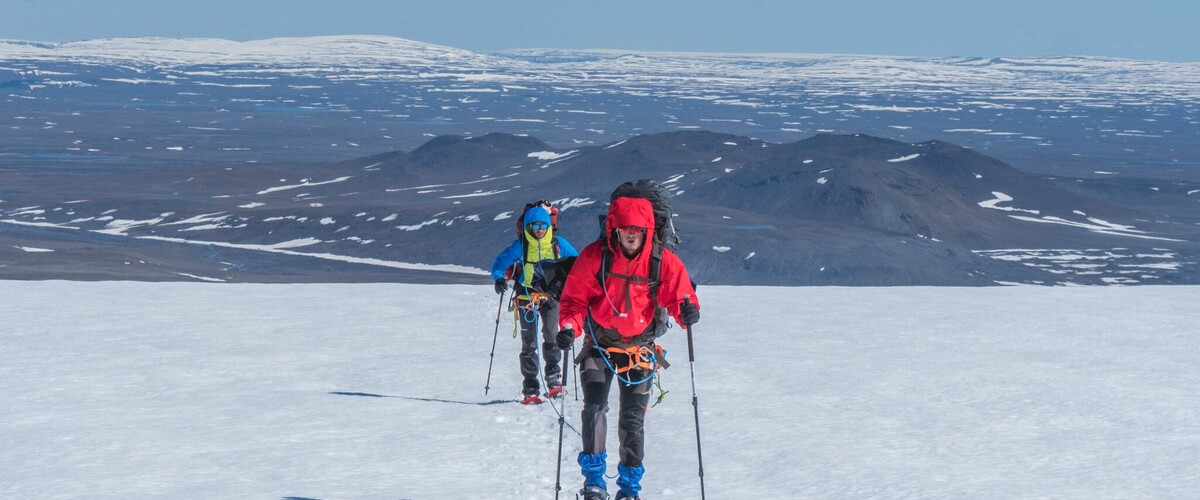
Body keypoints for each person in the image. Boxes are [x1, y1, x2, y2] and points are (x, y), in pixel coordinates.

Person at [555, 196, 700, 500]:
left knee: (632, 420)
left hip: (640, 350)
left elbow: (680, 295)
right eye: (625, 228)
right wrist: (569, 326)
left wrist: (687, 312)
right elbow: (575, 300)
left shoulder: (661, 261)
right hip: (598, 347)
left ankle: (630, 489)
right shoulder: (596, 257)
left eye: (636, 228)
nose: (631, 234)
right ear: (615, 230)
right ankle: (594, 482)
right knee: (594, 410)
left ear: (647, 230)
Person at [490, 203, 579, 405]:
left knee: (552, 336)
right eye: (535, 225)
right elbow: (499, 262)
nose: (539, 229)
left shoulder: (558, 244)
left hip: (550, 296)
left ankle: (553, 378)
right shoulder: (521, 246)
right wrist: (498, 278)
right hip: (526, 297)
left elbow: (578, 263)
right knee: (528, 342)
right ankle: (530, 387)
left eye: (542, 225)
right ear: (528, 226)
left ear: (548, 226)